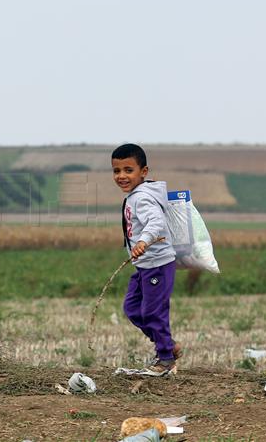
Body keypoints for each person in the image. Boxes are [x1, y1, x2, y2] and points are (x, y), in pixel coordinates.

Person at [111, 143, 182, 376]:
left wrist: (143, 241)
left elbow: (156, 222)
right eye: (117, 171)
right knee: (132, 308)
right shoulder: (135, 196)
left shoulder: (142, 198)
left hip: (157, 266)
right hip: (144, 266)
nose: (121, 176)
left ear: (144, 171)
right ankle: (168, 345)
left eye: (128, 170)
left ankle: (165, 359)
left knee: (153, 312)